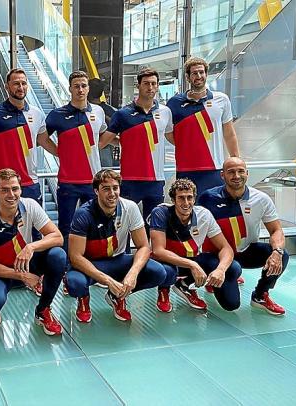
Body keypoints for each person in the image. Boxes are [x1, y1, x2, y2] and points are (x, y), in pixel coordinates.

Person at [64, 169, 173, 323]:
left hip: (118, 260)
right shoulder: (83, 214)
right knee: (75, 283)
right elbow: (75, 257)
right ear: (96, 191)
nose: (112, 193)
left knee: (158, 272)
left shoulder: (130, 207)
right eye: (106, 189)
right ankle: (84, 300)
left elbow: (143, 247)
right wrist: (108, 281)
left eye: (115, 188)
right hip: (91, 264)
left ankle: (117, 296)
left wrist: (132, 274)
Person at [0, 169, 67, 335]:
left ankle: (43, 310)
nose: (11, 194)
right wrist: (22, 276)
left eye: (15, 189)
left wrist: (31, 247)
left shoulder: (29, 205)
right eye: (5, 190)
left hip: (27, 263)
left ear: (20, 189)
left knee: (58, 255)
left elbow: (57, 237)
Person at [198, 157, 287, 315]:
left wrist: (277, 252)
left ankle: (260, 295)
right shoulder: (208, 198)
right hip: (217, 255)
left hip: (245, 251)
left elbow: (276, 230)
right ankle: (209, 278)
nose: (236, 176)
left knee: (282, 255)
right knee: (231, 305)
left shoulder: (261, 199)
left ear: (247, 173)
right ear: (222, 175)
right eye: (231, 172)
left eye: (240, 171)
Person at [149, 178, 241, 312]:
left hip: (193, 257)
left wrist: (220, 270)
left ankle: (184, 284)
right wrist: (193, 265)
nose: (186, 203)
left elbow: (225, 248)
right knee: (166, 272)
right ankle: (164, 289)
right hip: (169, 261)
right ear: (173, 200)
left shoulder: (204, 215)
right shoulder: (160, 212)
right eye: (181, 198)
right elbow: (158, 251)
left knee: (233, 269)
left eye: (189, 198)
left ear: (194, 199)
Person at [0, 68, 57, 205]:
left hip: (30, 183)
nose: (21, 87)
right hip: (2, 184)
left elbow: (44, 141)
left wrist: (66, 155)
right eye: (16, 83)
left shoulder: (37, 113)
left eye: (24, 83)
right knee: (0, 226)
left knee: (33, 226)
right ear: (6, 86)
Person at [100, 68, 172, 233]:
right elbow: (104, 141)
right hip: (129, 180)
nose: (150, 87)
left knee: (154, 227)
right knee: (123, 225)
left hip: (156, 180)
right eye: (146, 84)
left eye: (154, 84)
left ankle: (151, 257)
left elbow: (170, 137)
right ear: (138, 85)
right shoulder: (122, 114)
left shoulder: (165, 112)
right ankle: (123, 256)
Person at [45, 71, 108, 245]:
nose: (80, 90)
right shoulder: (57, 114)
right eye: (76, 86)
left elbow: (103, 134)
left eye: (84, 86)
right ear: (70, 89)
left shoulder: (99, 111)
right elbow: (41, 138)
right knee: (66, 227)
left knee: (94, 224)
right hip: (68, 181)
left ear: (88, 88)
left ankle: (90, 263)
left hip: (93, 180)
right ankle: (66, 267)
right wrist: (59, 152)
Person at [166, 57, 240, 195]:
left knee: (214, 210)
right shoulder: (174, 103)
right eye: (194, 73)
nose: (198, 76)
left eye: (201, 72)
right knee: (187, 211)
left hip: (215, 168)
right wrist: (187, 145)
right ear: (188, 77)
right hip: (186, 169)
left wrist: (236, 161)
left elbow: (229, 133)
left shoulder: (221, 99)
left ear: (206, 74)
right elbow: (168, 133)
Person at [88, 77, 117, 168]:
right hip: (107, 148)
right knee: (105, 176)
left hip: (89, 148)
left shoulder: (85, 111)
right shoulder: (112, 110)